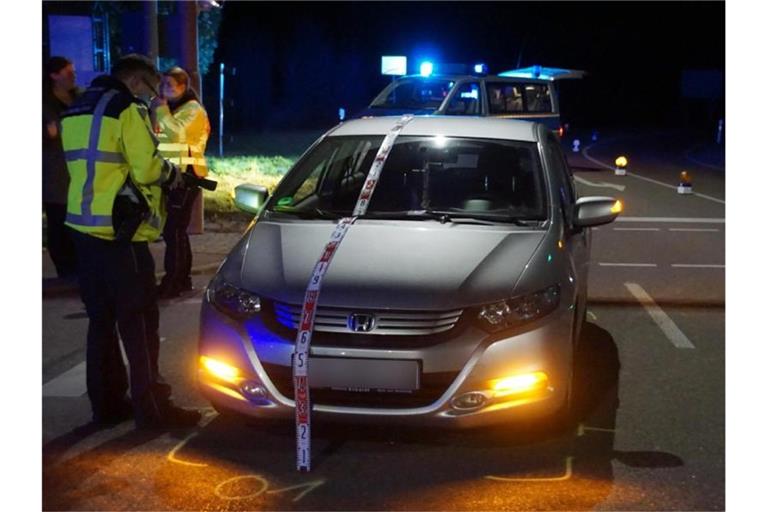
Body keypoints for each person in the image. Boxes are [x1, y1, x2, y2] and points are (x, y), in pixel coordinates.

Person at [61, 54, 200, 429]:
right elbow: (147, 168)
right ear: (137, 81)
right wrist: (172, 176)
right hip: (122, 233)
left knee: (100, 323)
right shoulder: (126, 108)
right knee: (139, 324)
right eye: (152, 89)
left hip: (83, 229)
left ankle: (105, 406)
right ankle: (151, 410)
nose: (153, 98)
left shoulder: (77, 108)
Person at [151, 67, 211, 299]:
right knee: (175, 232)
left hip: (187, 176)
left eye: (170, 84)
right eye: (162, 84)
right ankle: (181, 279)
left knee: (174, 231)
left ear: (183, 87)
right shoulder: (172, 109)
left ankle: (173, 282)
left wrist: (162, 111)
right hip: (171, 175)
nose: (164, 88)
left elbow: (176, 135)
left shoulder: (193, 109)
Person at [43, 56, 79, 278]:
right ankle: (65, 271)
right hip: (55, 170)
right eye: (67, 72)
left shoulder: (79, 97)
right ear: (54, 75)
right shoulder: (43, 101)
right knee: (58, 220)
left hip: (79, 166)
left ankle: (79, 268)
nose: (73, 76)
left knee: (77, 221)